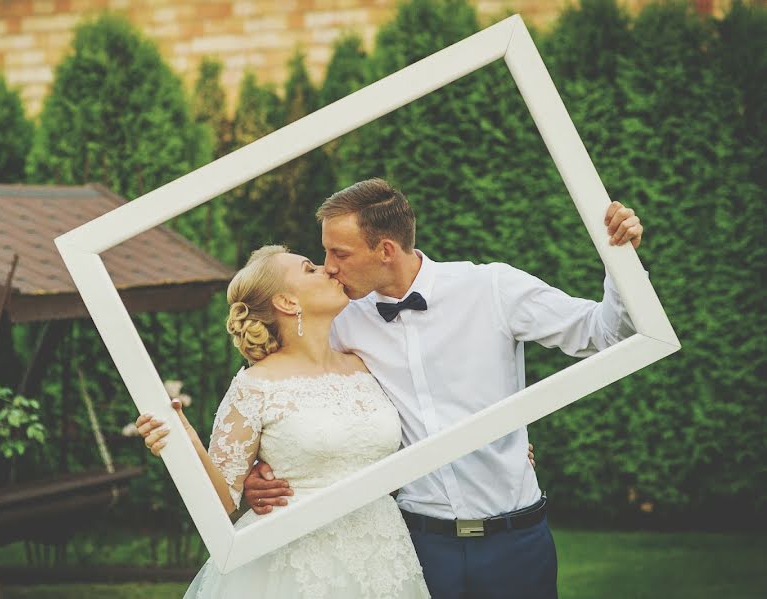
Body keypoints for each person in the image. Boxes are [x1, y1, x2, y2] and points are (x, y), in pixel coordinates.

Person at [238, 178, 645, 599]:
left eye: (339, 253)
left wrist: (622, 262)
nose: (329, 267)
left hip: (516, 541)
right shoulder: (340, 319)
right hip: (416, 546)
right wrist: (256, 470)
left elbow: (606, 335)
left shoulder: (492, 289)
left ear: (385, 250)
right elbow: (281, 389)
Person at [136, 245, 432, 598]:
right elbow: (221, 502)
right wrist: (184, 438)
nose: (329, 270)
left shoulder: (365, 364)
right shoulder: (255, 385)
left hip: (382, 553)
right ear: (287, 303)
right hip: (293, 564)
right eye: (310, 269)